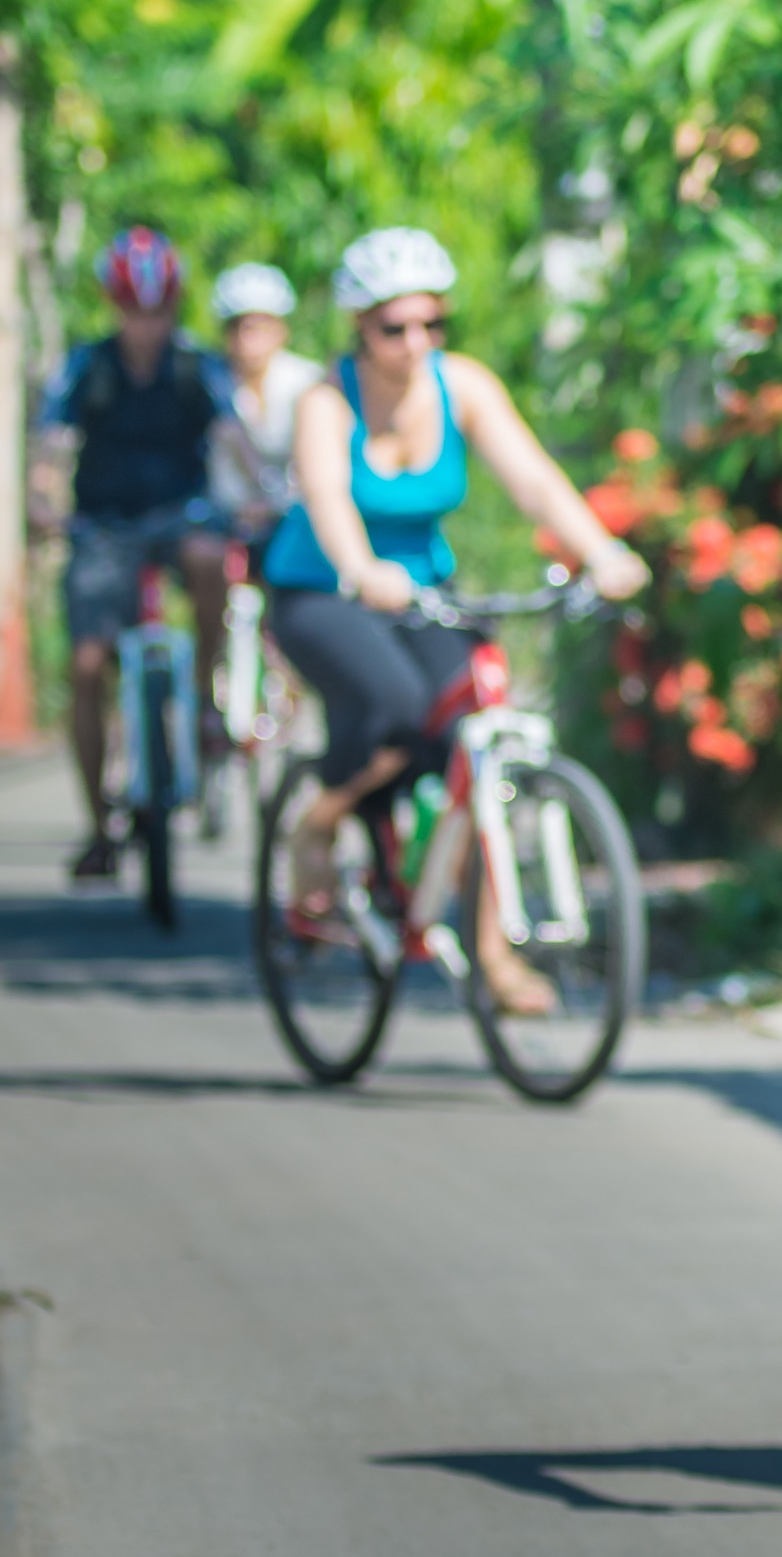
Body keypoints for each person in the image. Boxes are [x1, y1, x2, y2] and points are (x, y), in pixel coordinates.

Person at [260, 227, 651, 1013]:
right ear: (359, 328)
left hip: (428, 594)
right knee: (394, 708)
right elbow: (330, 499)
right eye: (393, 328)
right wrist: (362, 568)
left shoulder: (461, 385)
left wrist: (603, 551)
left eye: (431, 324)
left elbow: (534, 480)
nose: (415, 343)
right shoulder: (326, 401)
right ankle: (318, 822)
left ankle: (494, 959)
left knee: (472, 742)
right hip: (322, 591)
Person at [33, 227, 256, 881]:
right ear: (114, 304)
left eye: (157, 312)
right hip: (102, 524)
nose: (146, 326)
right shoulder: (85, 366)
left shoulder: (196, 365)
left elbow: (232, 433)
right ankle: (98, 827)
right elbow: (49, 444)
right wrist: (41, 500)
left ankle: (202, 696)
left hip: (178, 515)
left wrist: (264, 491)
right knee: (85, 665)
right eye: (134, 310)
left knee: (211, 554)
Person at [207, 262, 324, 541]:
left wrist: (277, 504)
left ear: (280, 330)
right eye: (240, 328)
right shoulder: (210, 384)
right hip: (230, 520)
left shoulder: (308, 381)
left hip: (299, 513)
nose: (249, 339)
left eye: (259, 327)